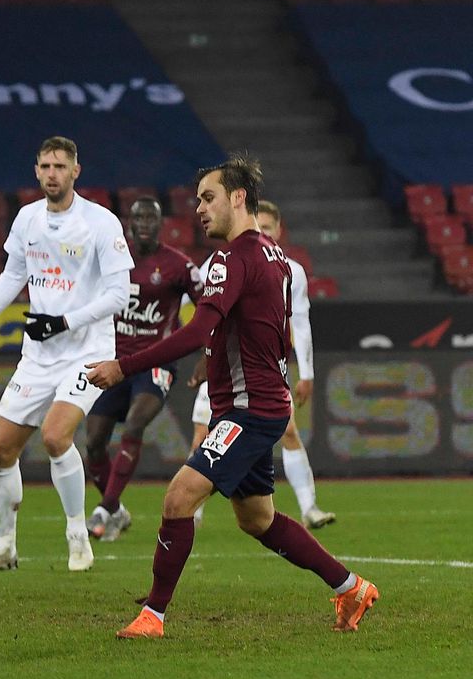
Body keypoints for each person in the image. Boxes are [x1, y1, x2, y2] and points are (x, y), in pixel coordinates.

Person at [86, 154, 378, 638]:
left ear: (238, 197)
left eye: (208, 198)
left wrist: (124, 366)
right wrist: (218, 355)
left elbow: (198, 327)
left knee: (179, 497)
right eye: (197, 200)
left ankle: (153, 616)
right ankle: (351, 587)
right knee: (257, 518)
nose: (198, 209)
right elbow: (267, 333)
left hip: (249, 409)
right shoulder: (276, 257)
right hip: (261, 402)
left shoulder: (229, 259)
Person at [0, 136, 133, 573]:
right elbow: (14, 274)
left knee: (55, 436)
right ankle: (4, 549)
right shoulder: (27, 219)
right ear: (36, 171)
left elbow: (119, 295)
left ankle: (77, 536)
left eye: (60, 166)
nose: (52, 173)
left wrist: (65, 322)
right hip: (39, 353)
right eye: (45, 166)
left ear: (75, 171)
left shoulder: (100, 223)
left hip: (87, 351)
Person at [188, 200, 335, 530]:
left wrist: (306, 373)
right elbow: (199, 309)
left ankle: (309, 507)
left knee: (290, 431)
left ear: (279, 231)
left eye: (268, 228)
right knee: (204, 434)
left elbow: (301, 323)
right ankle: (192, 509)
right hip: (224, 365)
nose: (261, 233)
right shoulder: (222, 260)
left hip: (265, 369)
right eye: (259, 227)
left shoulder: (290, 270)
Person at [83, 197, 202, 542]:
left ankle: (105, 509)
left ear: (161, 223)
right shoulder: (112, 259)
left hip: (156, 362)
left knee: (135, 422)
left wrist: (206, 354)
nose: (146, 223)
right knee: (93, 442)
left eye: (152, 217)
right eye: (140, 218)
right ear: (130, 224)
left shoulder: (178, 265)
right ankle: (117, 512)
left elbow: (208, 306)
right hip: (115, 362)